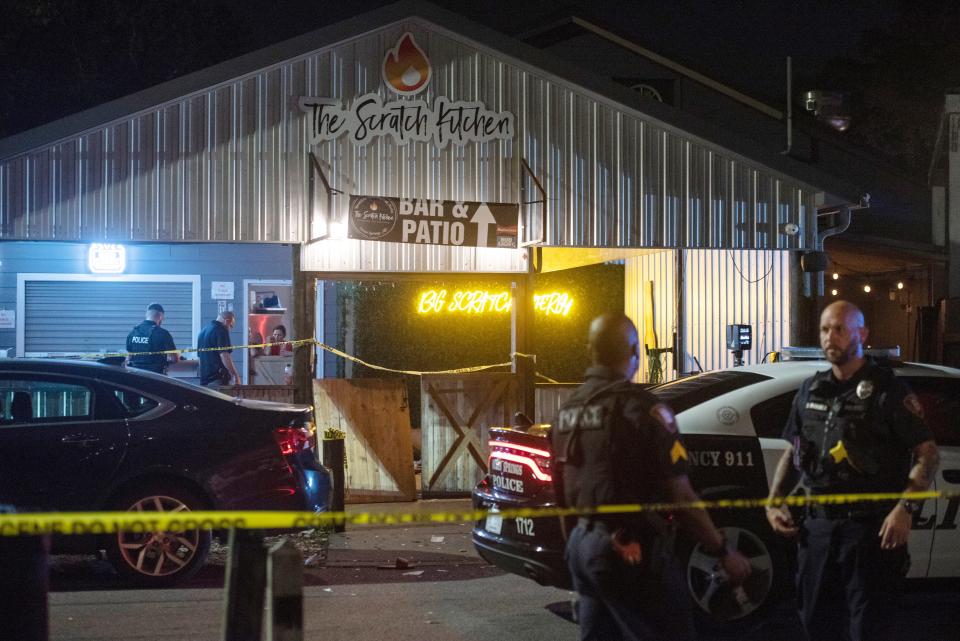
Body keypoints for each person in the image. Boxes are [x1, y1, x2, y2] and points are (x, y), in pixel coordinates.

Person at [552, 313, 751, 641]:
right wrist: (722, 551)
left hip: (582, 548)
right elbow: (682, 496)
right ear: (634, 352)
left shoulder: (567, 411)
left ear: (591, 350)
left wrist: (577, 548)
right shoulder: (641, 410)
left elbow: (563, 489)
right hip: (631, 551)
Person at [765, 300, 940, 641]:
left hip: (869, 531)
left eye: (840, 329)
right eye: (825, 330)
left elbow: (929, 454)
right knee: (816, 624)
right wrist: (774, 500)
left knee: (869, 628)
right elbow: (794, 447)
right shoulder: (811, 389)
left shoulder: (886, 390)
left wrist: (905, 511)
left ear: (862, 334)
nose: (831, 337)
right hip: (816, 529)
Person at [126, 303, 177, 374]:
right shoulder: (163, 333)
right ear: (161, 316)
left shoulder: (133, 332)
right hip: (155, 377)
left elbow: (128, 358)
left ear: (146, 315)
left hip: (135, 376)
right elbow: (174, 359)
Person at [197, 311, 240, 389]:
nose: (230, 329)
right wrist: (235, 375)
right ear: (226, 321)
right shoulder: (222, 330)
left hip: (204, 380)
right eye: (231, 326)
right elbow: (224, 355)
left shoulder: (203, 331)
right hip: (217, 379)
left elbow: (200, 358)